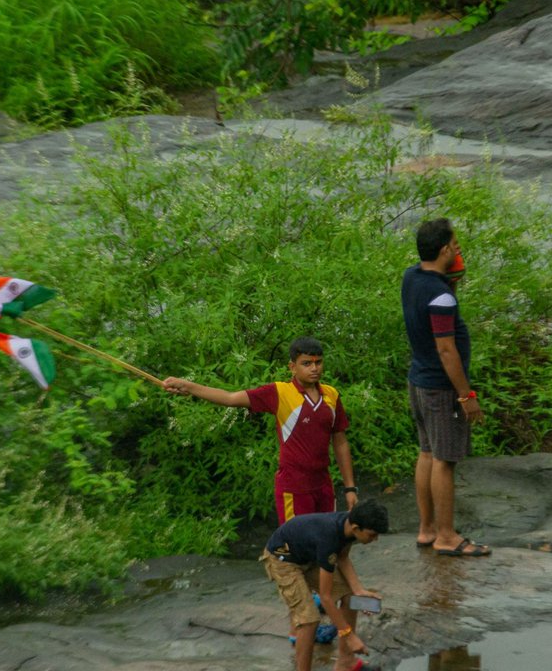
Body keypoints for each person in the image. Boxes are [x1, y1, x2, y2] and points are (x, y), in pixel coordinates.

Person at [162, 336, 359, 523]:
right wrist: (188, 386)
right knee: (296, 550)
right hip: (294, 488)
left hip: (324, 485)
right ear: (292, 367)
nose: (314, 368)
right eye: (306, 363)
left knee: (327, 547)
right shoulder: (279, 392)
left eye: (318, 362)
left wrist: (350, 487)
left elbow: (340, 441)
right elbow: (230, 398)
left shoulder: (331, 395)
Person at [400, 218, 490, 557]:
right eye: (454, 246)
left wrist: (451, 278)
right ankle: (447, 536)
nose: (458, 250)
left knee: (426, 452)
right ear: (443, 250)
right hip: (440, 387)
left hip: (417, 380)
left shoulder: (412, 278)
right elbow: (446, 349)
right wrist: (467, 396)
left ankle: (427, 529)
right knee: (445, 459)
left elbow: (433, 295)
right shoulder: (441, 298)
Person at [261, 500, 388, 671]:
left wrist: (359, 590)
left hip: (308, 555)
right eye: (372, 535)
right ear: (357, 528)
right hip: (283, 561)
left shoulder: (347, 525)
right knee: (309, 620)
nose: (376, 540)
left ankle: (346, 663)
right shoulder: (329, 538)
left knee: (350, 596)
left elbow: (342, 557)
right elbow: (326, 598)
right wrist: (349, 635)